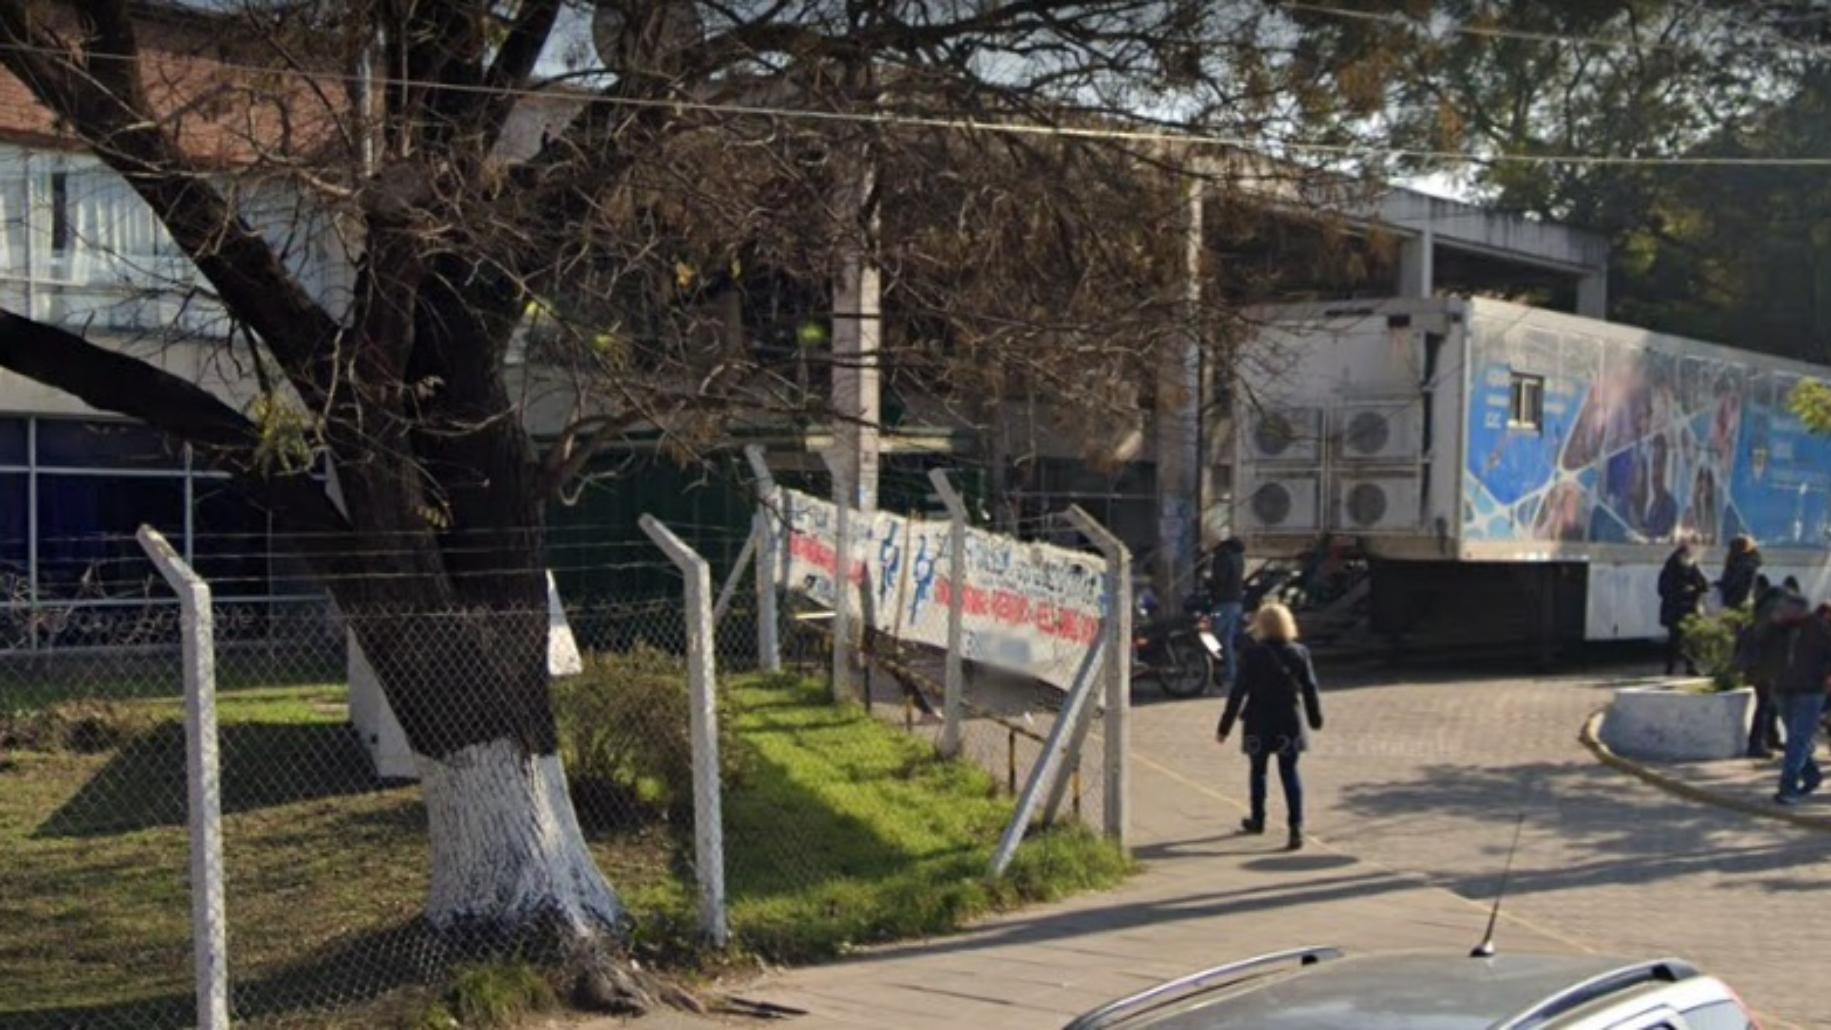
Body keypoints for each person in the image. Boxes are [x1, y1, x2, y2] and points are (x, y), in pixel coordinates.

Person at [1216, 603, 1323, 851]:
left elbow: (1237, 693)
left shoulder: (1252, 655)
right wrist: (1315, 718)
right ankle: (1296, 827)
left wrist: (1225, 726)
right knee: (1289, 772)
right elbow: (1310, 688)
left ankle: (1258, 818)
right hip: (1289, 721)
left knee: (1258, 770)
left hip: (1258, 720)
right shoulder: (1300, 652)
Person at [1752, 590, 1831, 804]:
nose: (1781, 612)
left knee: (1797, 739)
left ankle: (1788, 788)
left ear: (1800, 610)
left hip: (1811, 690)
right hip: (1782, 688)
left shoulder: (1820, 628)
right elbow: (1757, 641)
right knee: (1797, 738)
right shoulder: (1777, 629)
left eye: (1785, 609)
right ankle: (1812, 775)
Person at [1740, 575, 1784, 757]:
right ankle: (1756, 744)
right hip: (1764, 666)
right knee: (1765, 704)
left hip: (1761, 665)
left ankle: (1771, 738)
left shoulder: (1762, 610)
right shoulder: (1771, 613)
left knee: (1771, 704)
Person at [1657, 543, 1709, 675]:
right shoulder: (1670, 569)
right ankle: (1671, 667)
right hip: (1676, 609)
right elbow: (1663, 589)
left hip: (1689, 609)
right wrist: (1683, 590)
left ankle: (1689, 666)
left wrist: (1694, 589)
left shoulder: (1692, 567)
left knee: (1689, 639)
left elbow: (1704, 585)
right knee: (1675, 640)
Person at [1208, 537, 1247, 691]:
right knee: (1227, 640)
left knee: (1209, 637)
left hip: (1222, 603)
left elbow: (1220, 579)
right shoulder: (1239, 558)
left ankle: (1207, 671)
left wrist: (1209, 583)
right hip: (1236, 603)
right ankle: (1231, 673)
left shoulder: (1222, 557)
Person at [1718, 535, 1762, 610]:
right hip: (1735, 600)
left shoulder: (1746, 563)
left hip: (1739, 601)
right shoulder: (1737, 561)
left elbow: (1748, 583)